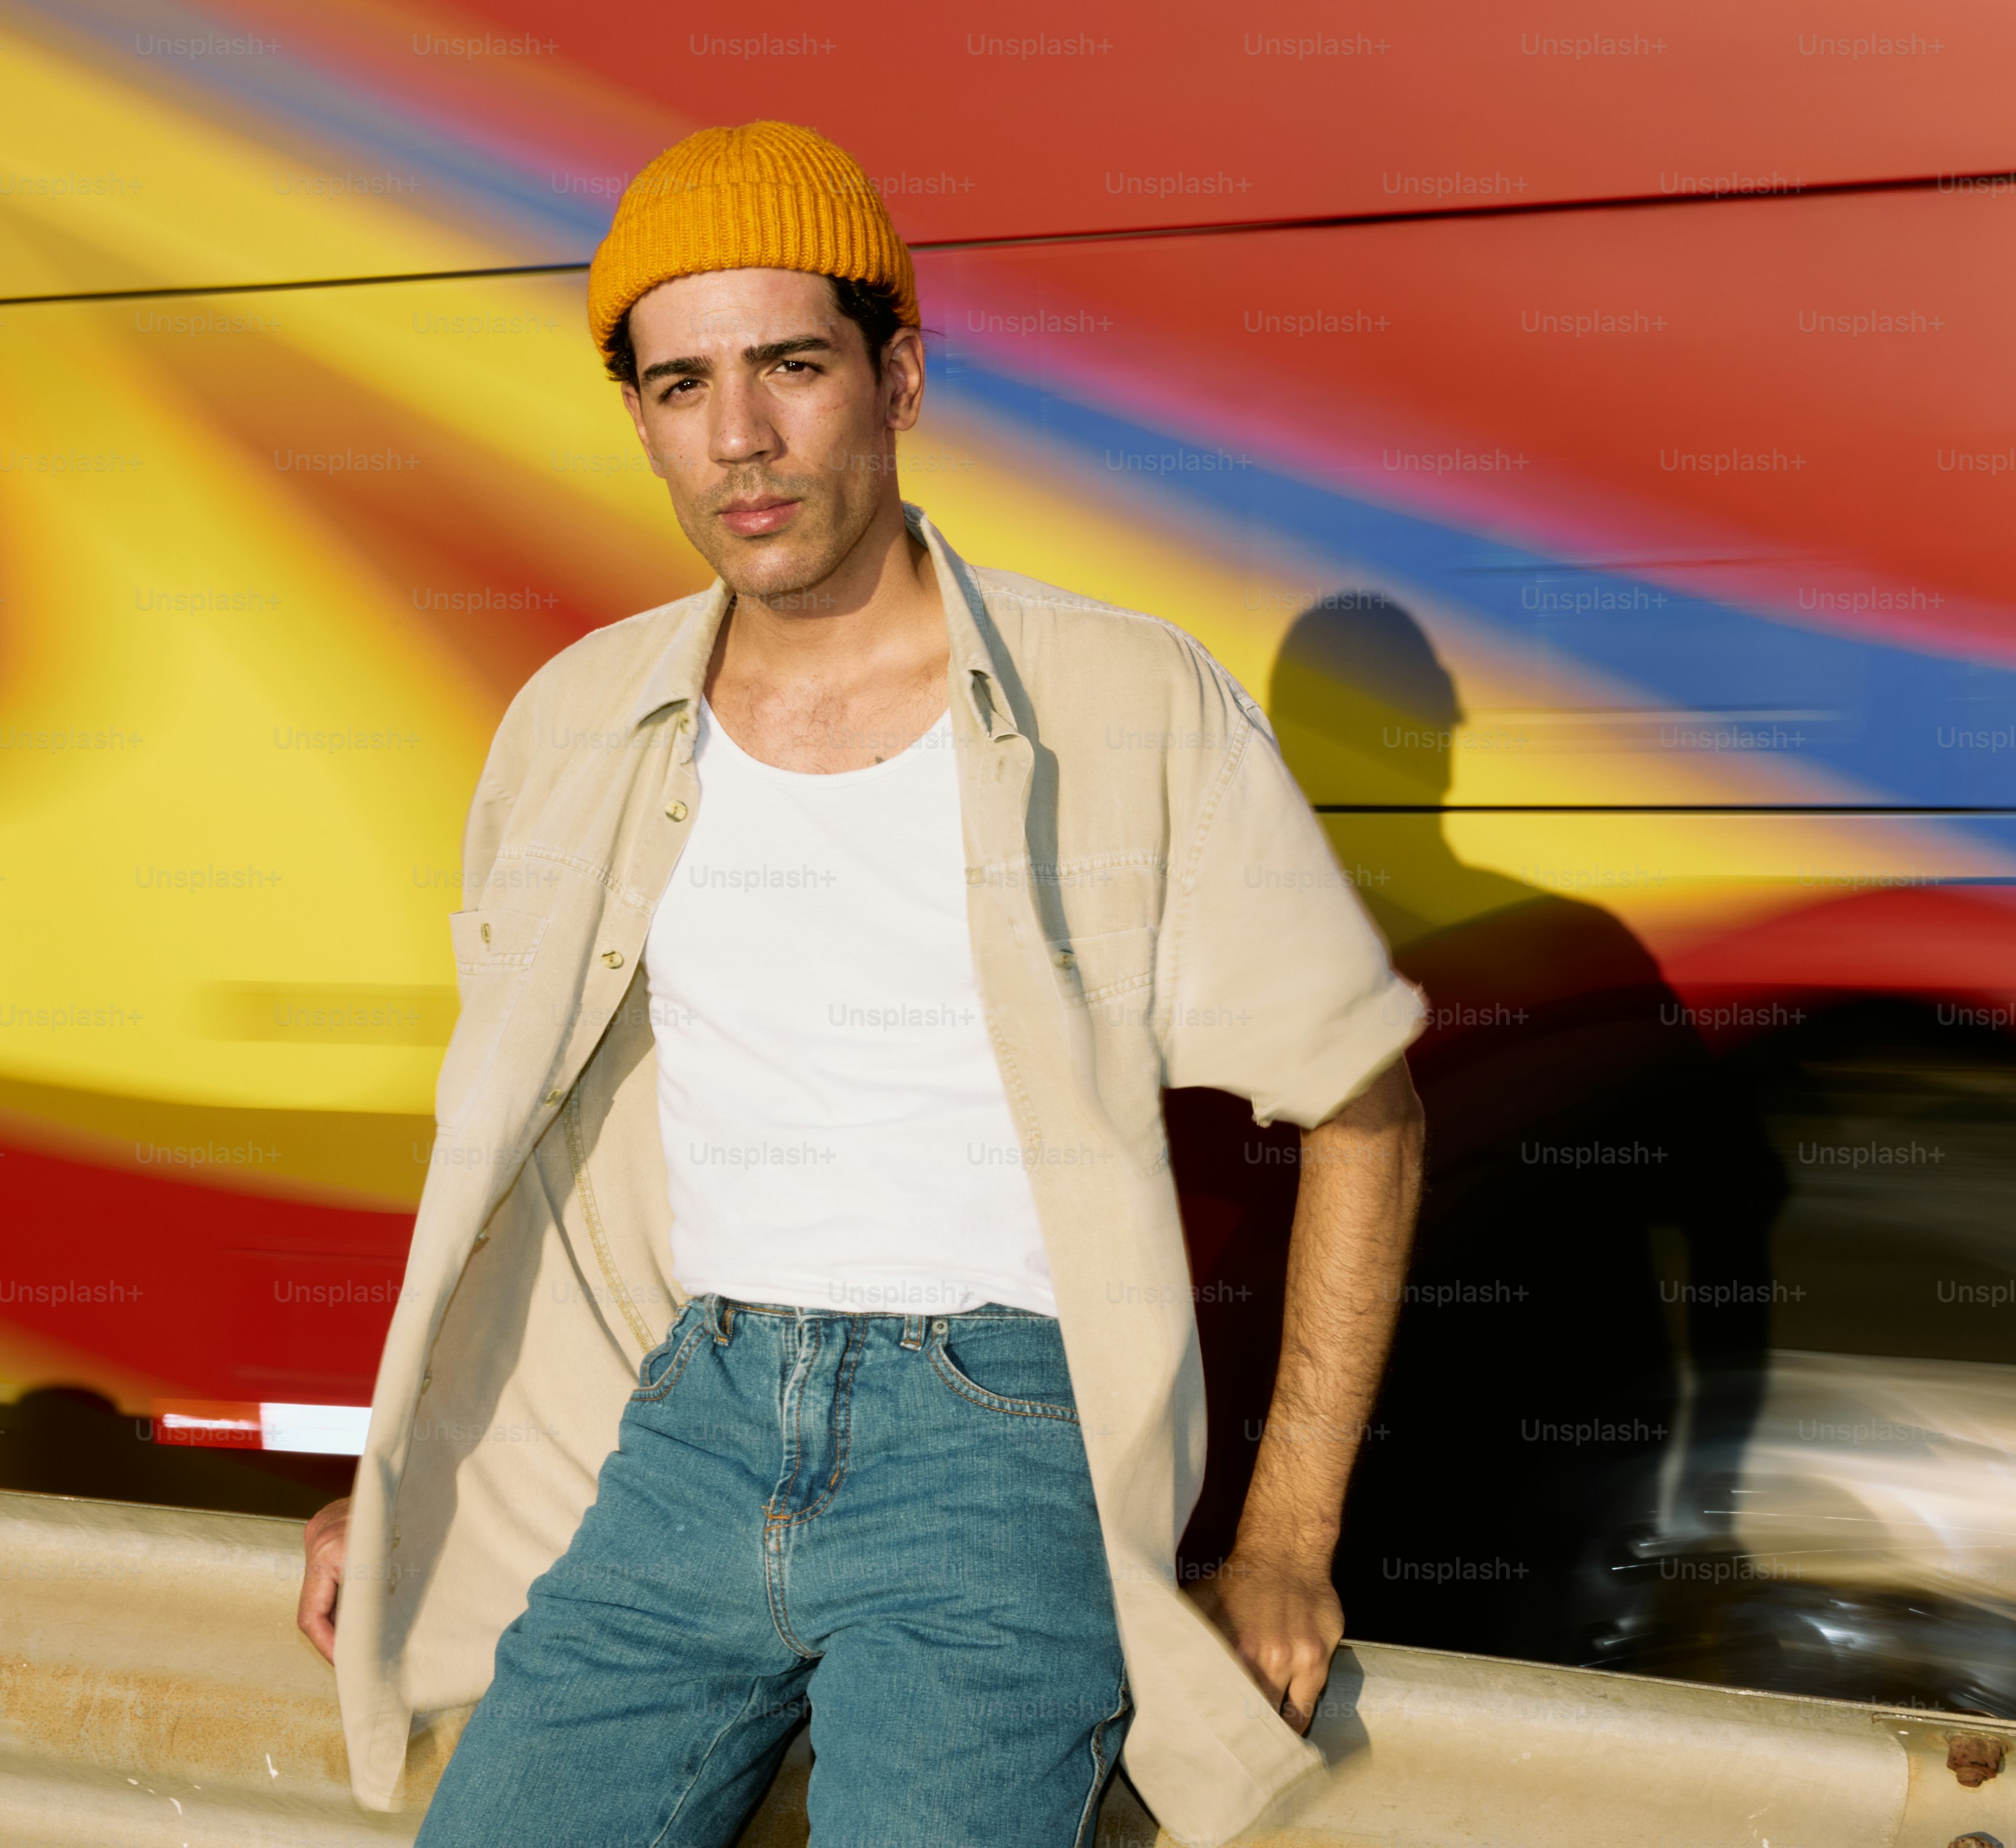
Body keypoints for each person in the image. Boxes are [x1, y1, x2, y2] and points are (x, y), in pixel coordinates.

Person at [293, 121, 1427, 1848]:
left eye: (790, 365)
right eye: (680, 385)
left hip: (995, 1435)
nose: (738, 437)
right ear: (640, 418)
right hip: (688, 1417)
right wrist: (410, 1478)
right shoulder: (573, 729)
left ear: (896, 377)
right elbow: (516, 1153)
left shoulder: (1125, 703)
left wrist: (1280, 1536)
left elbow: (1364, 1109)